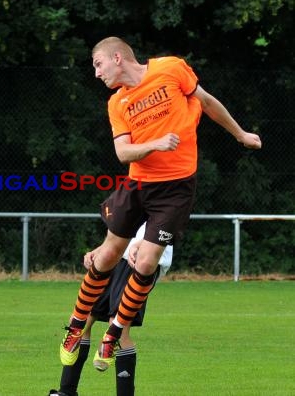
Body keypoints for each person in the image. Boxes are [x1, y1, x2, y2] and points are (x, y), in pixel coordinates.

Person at [60, 36, 262, 370]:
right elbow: (123, 153)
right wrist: (155, 143)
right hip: (138, 184)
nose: (96, 74)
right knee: (108, 254)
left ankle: (112, 335)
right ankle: (75, 323)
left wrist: (240, 134)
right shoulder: (117, 103)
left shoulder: (171, 68)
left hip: (177, 189)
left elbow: (208, 102)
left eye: (98, 65)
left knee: (147, 262)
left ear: (117, 58)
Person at [50, 223, 172, 396]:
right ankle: (66, 392)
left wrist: (140, 245)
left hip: (139, 260)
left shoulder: (170, 200)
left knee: (118, 329)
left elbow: (166, 228)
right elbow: (125, 229)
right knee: (79, 321)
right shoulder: (131, 198)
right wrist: (101, 249)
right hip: (115, 256)